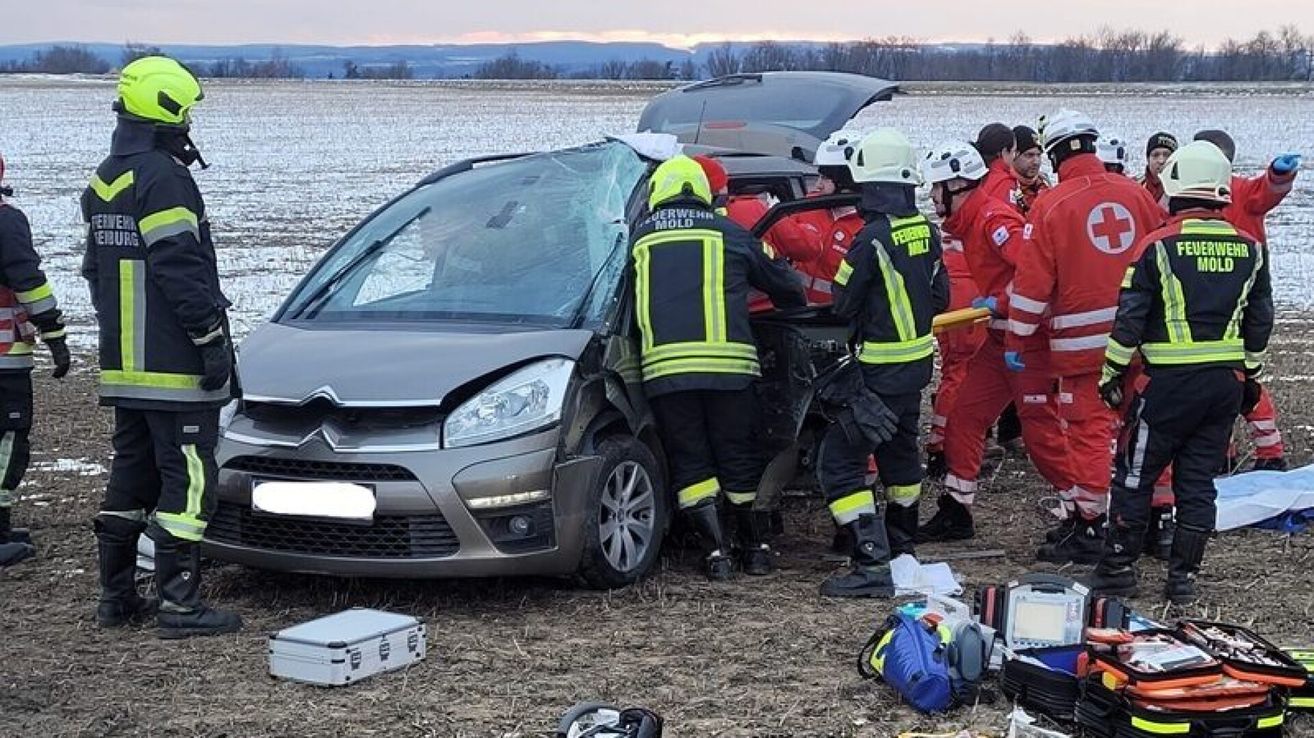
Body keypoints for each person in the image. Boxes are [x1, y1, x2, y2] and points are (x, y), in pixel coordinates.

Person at [81, 56, 241, 637]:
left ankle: (115, 597)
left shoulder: (106, 176)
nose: (191, 120)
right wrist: (208, 338)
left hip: (125, 366)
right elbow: (180, 267)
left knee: (131, 478)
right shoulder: (165, 177)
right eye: (188, 109)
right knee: (189, 481)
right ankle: (180, 605)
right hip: (174, 365)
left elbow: (94, 270)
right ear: (167, 107)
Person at [1088, 141, 1273, 604]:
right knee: (1197, 482)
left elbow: (1129, 319)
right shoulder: (1250, 248)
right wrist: (1248, 376)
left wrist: (1110, 373)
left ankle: (1117, 569)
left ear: (1174, 189)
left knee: (1135, 473)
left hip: (1166, 386)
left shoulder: (1157, 246)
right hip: (1223, 387)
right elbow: (1260, 321)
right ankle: (1183, 578)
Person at [631, 155, 805, 580]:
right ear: (705, 193)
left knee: (691, 462)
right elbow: (787, 285)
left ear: (659, 193)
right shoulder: (732, 234)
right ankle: (754, 548)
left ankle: (715, 554)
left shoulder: (639, 240)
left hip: (666, 373)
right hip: (731, 370)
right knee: (738, 457)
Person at [1007, 109, 1163, 564]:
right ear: (1093, 146)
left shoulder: (1050, 205)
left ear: (1054, 154)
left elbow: (1033, 284)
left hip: (1083, 349)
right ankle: (1154, 521)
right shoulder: (1137, 195)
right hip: (1140, 341)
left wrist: (1017, 338)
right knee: (1145, 430)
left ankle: (1092, 526)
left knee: (1088, 435)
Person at [920, 143, 1076, 542]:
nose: (934, 197)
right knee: (965, 418)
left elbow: (1036, 269)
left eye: (939, 188)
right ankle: (957, 508)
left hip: (1027, 341)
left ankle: (1085, 514)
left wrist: (1001, 301)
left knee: (1041, 433)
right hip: (1000, 337)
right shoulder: (975, 221)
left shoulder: (992, 220)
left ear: (958, 185)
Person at [818, 128, 948, 597]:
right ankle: (901, 548)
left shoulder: (869, 238)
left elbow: (842, 302)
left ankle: (870, 564)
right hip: (914, 366)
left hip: (876, 371)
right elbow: (940, 295)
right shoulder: (927, 232)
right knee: (899, 458)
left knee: (839, 464)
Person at [1194, 129, 1299, 472]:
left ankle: (1270, 453)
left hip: (1242, 296)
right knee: (1214, 380)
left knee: (1240, 379)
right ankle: (1222, 452)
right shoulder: (1193, 194)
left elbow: (1267, 191)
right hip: (1210, 295)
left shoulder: (1240, 190)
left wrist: (1280, 173)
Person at [0, 153, 71, 567]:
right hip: (4, 356)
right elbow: (29, 282)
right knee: (8, 442)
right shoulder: (6, 221)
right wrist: (56, 337)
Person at [1010, 125, 1050, 214]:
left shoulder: (1044, 184)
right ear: (1014, 155)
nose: (1036, 162)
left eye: (1039, 155)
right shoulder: (1006, 189)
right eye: (1029, 155)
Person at [975, 123, 1018, 204]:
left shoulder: (973, 176)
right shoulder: (1004, 182)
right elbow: (1006, 214)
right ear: (1004, 151)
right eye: (1014, 151)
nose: (1014, 157)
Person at [1138, 132, 1177, 208]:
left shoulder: (1183, 191)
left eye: (1167, 155)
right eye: (1155, 155)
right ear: (1148, 159)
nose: (1161, 160)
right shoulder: (1136, 187)